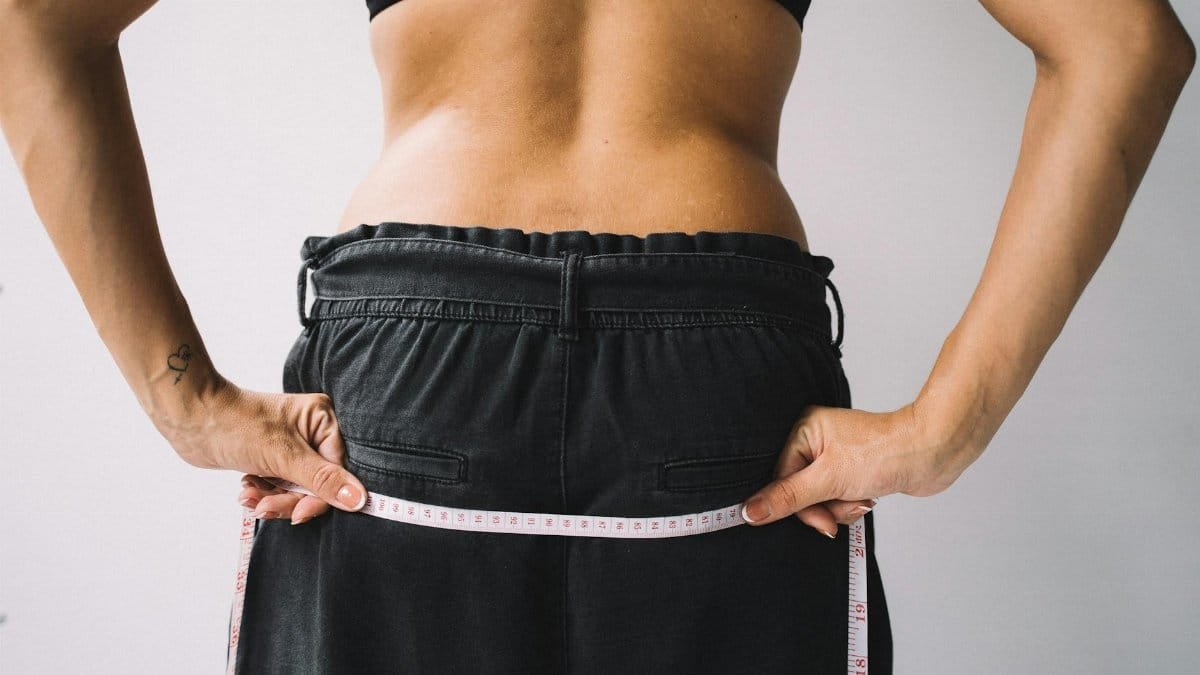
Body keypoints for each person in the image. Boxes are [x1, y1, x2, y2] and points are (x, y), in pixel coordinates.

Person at [0, 1, 1193, 673]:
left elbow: (34, 21)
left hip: (417, 359)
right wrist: (947, 429)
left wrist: (183, 400)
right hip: (714, 366)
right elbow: (1126, 42)